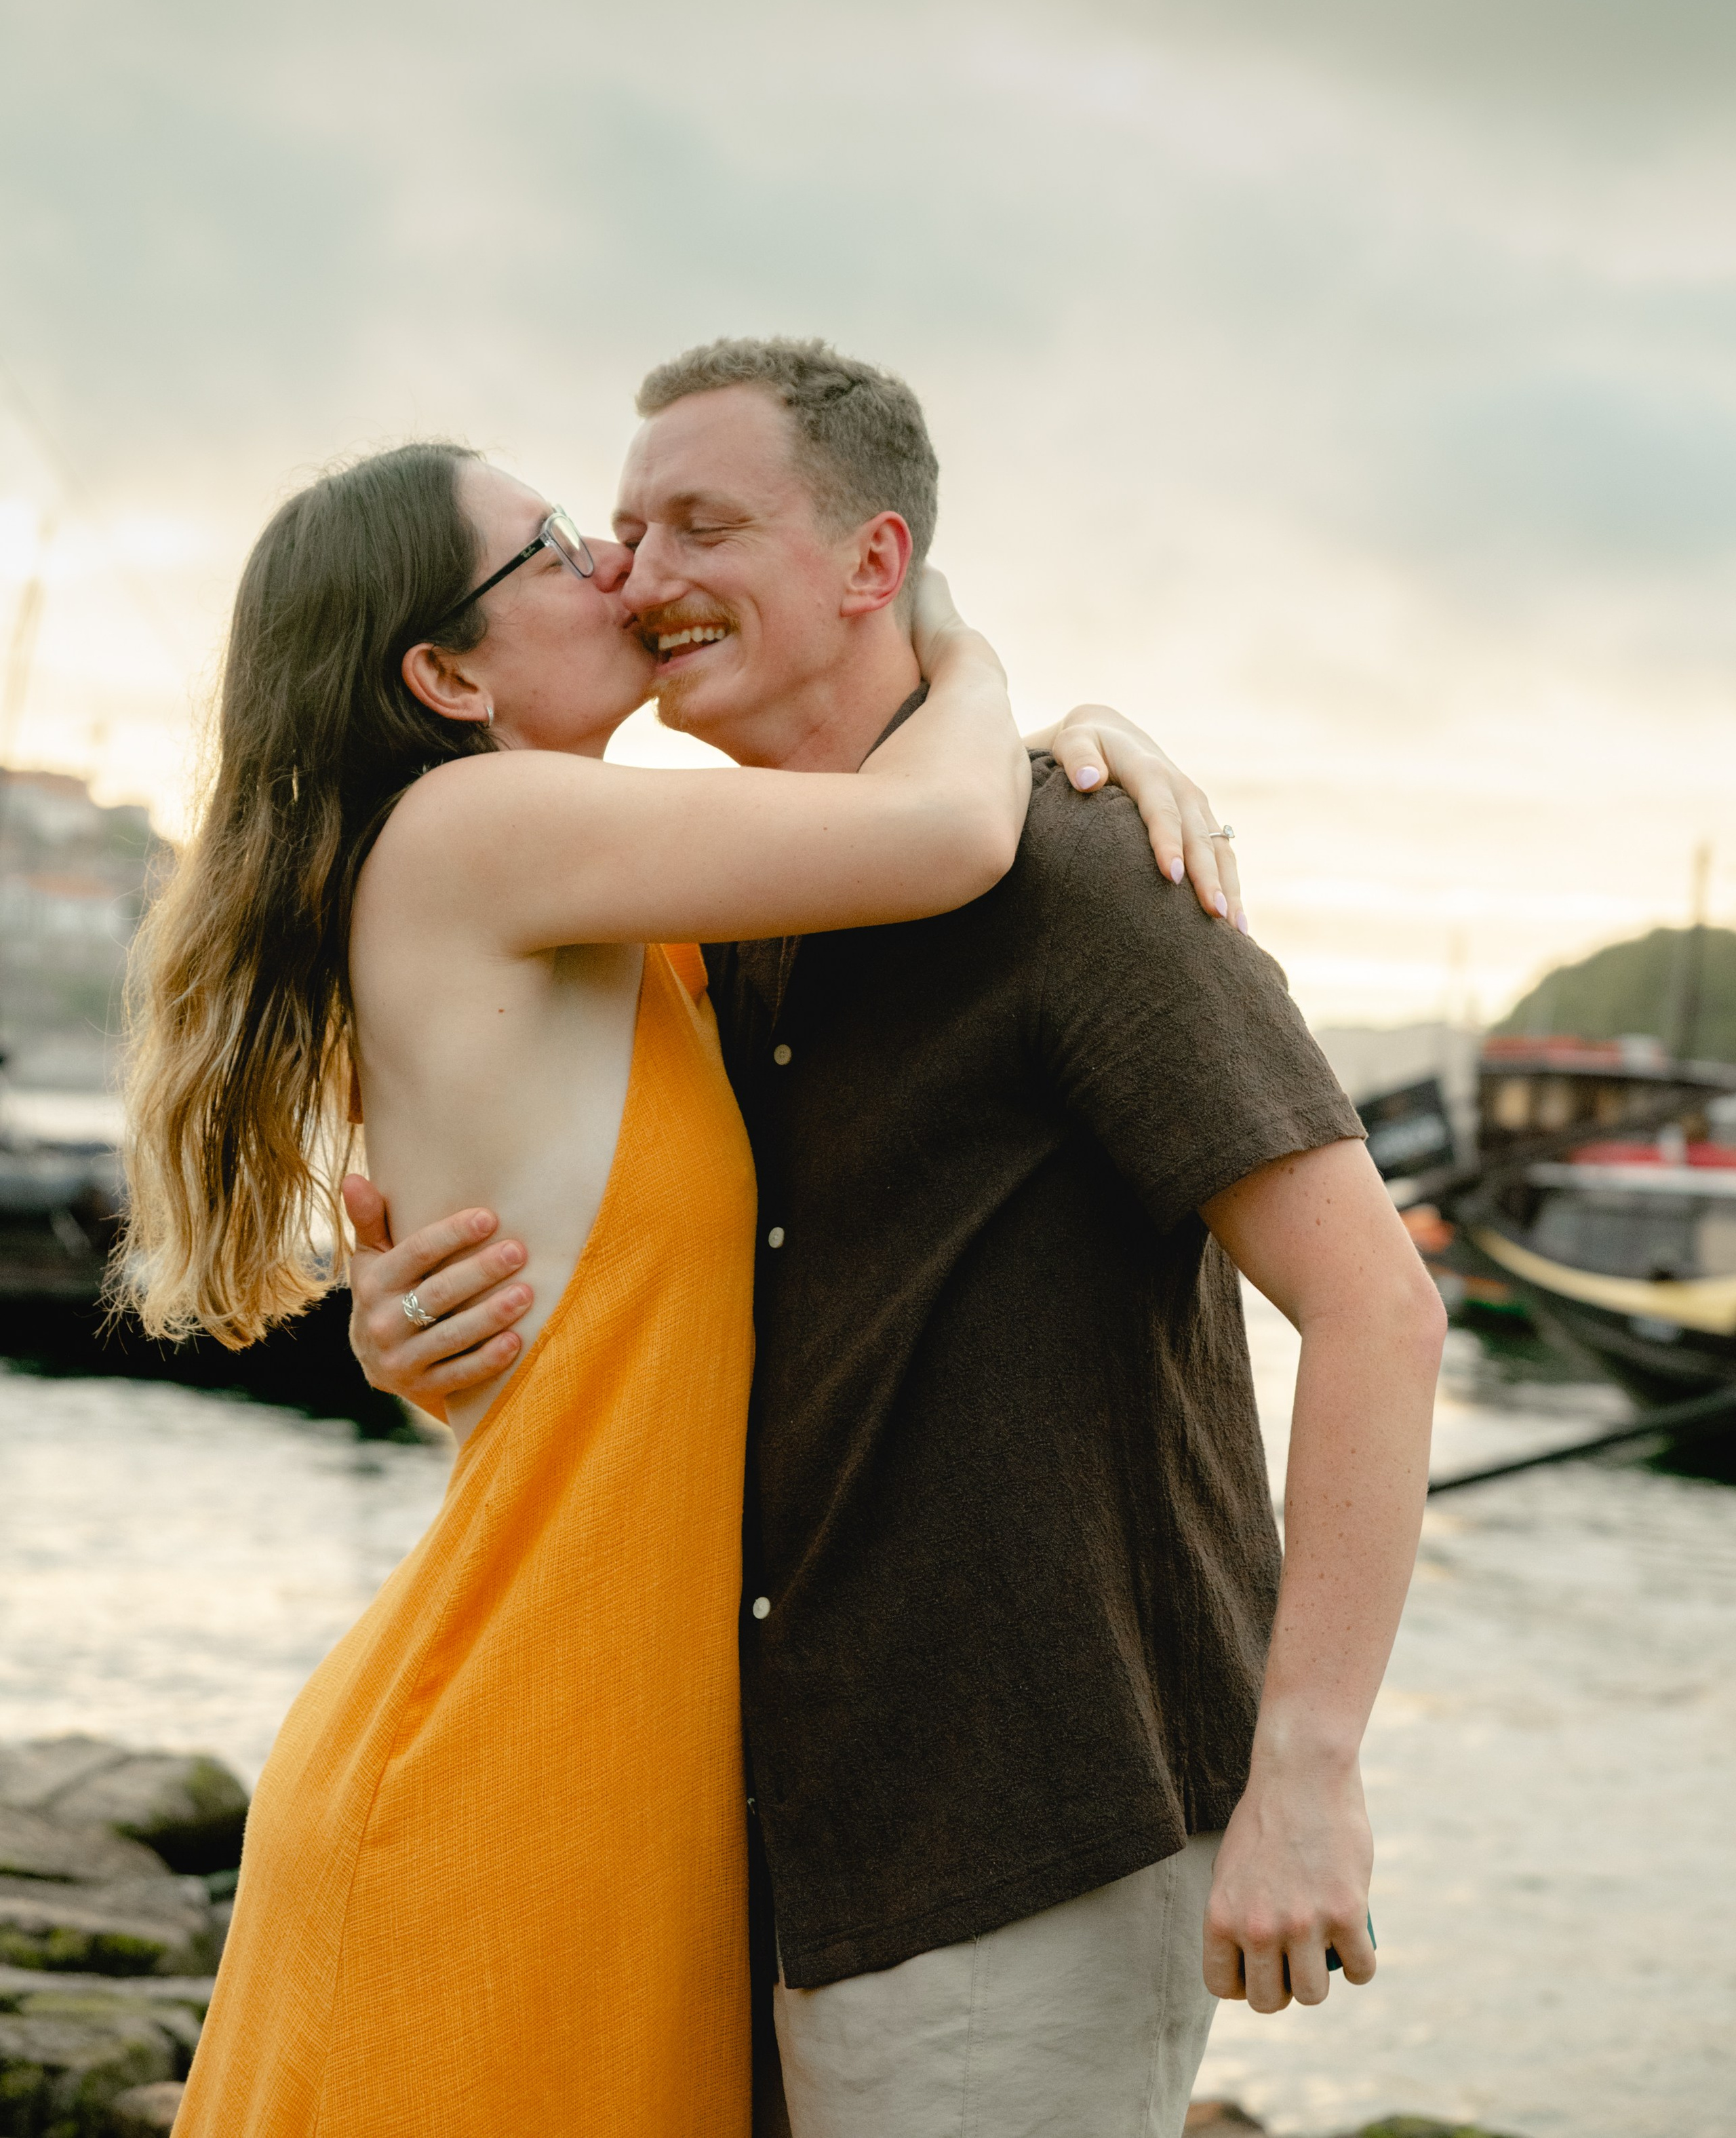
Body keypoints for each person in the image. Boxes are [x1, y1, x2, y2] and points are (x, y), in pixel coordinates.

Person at [349, 340, 1448, 2138]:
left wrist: (1310, 1766)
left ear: (875, 565)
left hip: (1023, 1828)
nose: (639, 571)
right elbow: (655, 1319)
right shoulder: (724, 908)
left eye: (704, 521)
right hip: (770, 1836)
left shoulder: (1086, 873)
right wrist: (414, 1337)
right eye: (621, 530)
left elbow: (1377, 1307)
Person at [118, 435, 1084, 2138]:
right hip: (503, 1761)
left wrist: (1102, 745)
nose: (620, 571)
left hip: (603, 1764)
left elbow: (577, 1304)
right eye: (559, 546)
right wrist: (958, 643)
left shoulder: (625, 917)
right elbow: (940, 829)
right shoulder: (479, 826)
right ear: (445, 673)